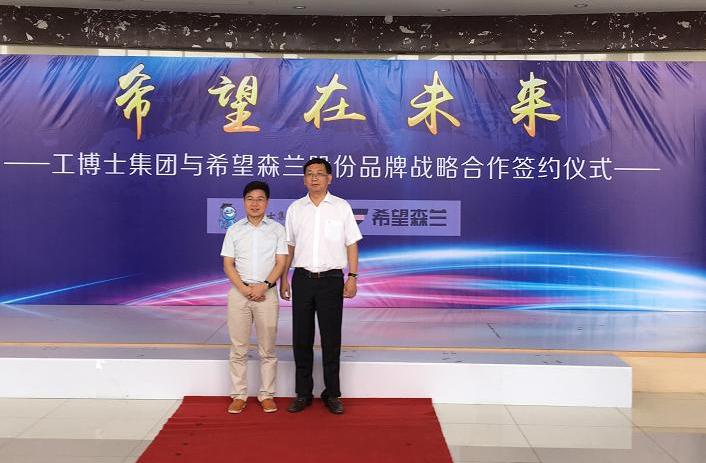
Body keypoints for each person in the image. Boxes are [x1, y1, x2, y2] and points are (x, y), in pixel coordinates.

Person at [280, 158, 362, 415]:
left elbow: (351, 243)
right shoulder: (295, 208)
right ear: (304, 179)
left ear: (330, 178)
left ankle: (332, 394)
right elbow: (289, 246)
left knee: (331, 339)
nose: (314, 177)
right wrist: (283, 278)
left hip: (331, 280)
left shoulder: (341, 207)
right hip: (302, 279)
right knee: (301, 338)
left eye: (319, 173)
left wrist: (353, 276)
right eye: (309, 173)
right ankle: (303, 393)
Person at [221, 180, 287, 414]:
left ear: (267, 203)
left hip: (266, 294)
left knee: (267, 348)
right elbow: (228, 264)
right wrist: (243, 288)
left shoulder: (277, 229)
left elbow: (281, 262)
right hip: (239, 293)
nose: (255, 203)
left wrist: (265, 286)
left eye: (260, 199)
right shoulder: (234, 229)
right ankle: (239, 395)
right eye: (250, 199)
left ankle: (266, 394)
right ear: (243, 202)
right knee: (238, 347)